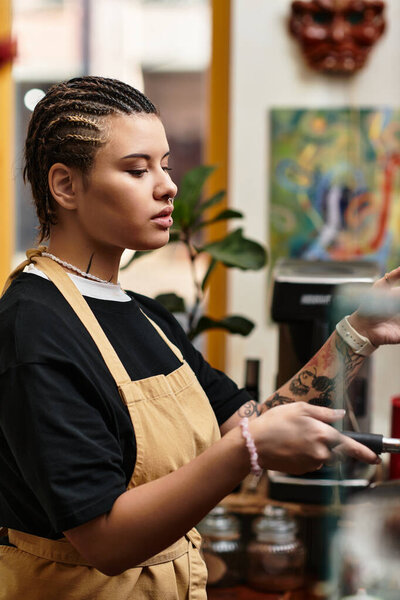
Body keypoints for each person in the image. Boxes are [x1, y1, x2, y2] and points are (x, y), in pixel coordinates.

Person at [0, 75, 399, 600]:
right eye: (137, 169)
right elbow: (106, 541)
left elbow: (256, 426)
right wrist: (245, 451)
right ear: (65, 185)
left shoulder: (145, 317)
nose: (168, 185)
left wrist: (357, 333)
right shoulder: (34, 326)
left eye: (164, 166)